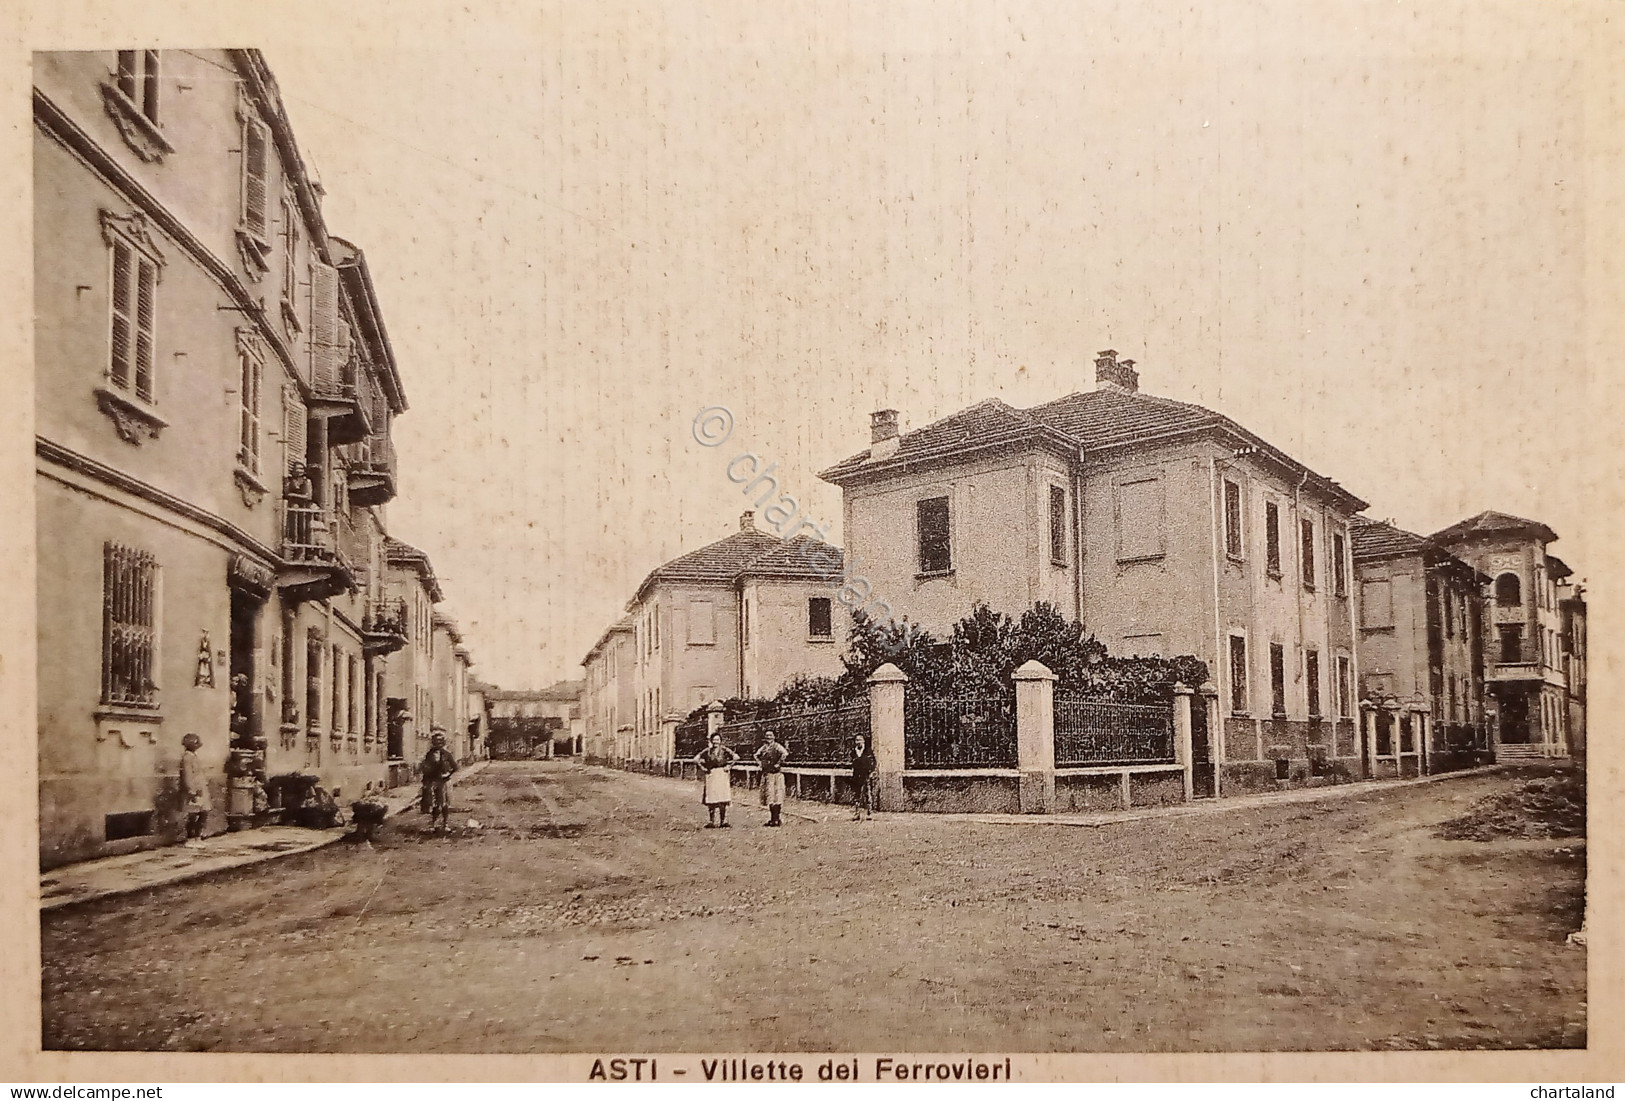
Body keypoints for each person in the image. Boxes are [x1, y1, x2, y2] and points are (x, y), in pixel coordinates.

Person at [694, 732, 739, 828]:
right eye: (714, 740)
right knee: (711, 798)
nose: (716, 742)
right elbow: (696, 759)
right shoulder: (707, 751)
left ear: (720, 741)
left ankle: (723, 821)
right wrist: (703, 768)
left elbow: (736, 757)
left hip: (722, 774)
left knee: (722, 798)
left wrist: (729, 766)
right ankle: (711, 821)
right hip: (711, 774)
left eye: (717, 740)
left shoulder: (724, 750)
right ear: (711, 741)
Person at [420, 731, 458, 830]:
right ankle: (433, 823)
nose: (438, 743)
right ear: (433, 742)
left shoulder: (447, 754)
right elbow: (426, 767)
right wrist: (426, 781)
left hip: (444, 781)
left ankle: (445, 824)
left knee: (444, 804)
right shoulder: (430, 754)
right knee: (435, 804)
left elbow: (455, 766)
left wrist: (448, 774)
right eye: (436, 741)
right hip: (434, 781)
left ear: (443, 742)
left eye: (440, 741)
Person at [753, 730, 790, 827]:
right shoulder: (764, 747)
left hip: (776, 775)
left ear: (774, 737)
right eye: (767, 736)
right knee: (770, 797)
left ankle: (777, 819)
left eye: (770, 735)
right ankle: (772, 819)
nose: (769, 737)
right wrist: (760, 763)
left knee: (777, 797)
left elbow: (785, 753)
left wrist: (779, 763)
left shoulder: (777, 746)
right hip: (767, 774)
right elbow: (756, 755)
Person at [179, 732, 209, 842]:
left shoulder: (193, 756)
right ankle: (191, 838)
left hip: (200, 789)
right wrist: (192, 791)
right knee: (194, 815)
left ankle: (197, 837)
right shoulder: (187, 758)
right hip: (194, 791)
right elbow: (187, 775)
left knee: (203, 813)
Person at [850, 734, 877, 821]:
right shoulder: (853, 752)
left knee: (867, 794)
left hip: (866, 776)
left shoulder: (868, 751)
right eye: (856, 740)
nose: (858, 742)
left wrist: (871, 771)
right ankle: (857, 813)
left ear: (863, 741)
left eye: (860, 740)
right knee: (856, 795)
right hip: (856, 776)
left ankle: (869, 813)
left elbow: (873, 762)